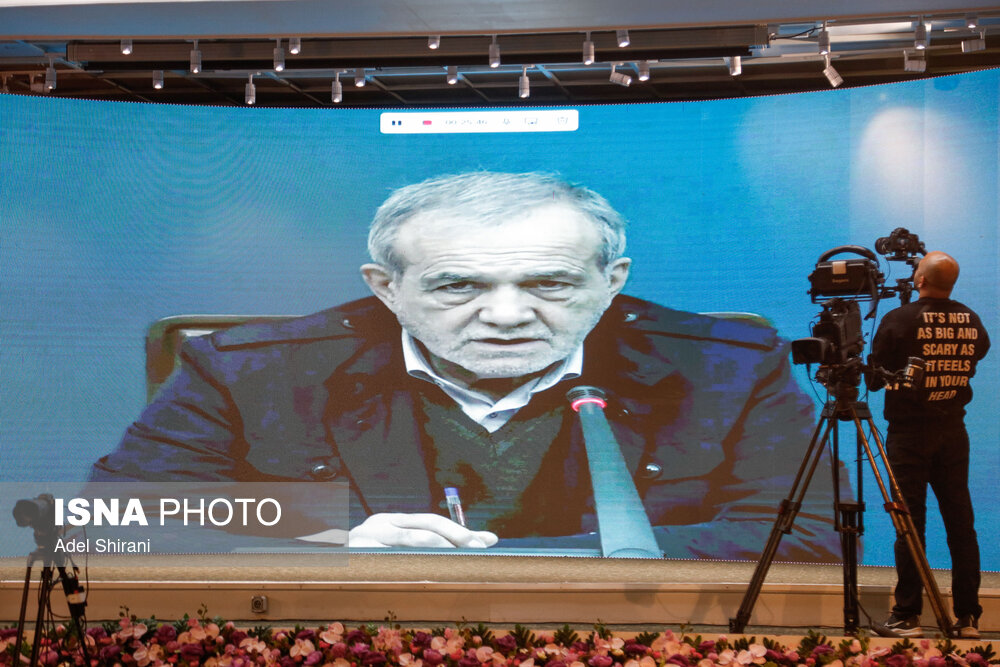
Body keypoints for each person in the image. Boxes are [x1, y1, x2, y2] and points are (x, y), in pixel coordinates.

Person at [90, 171, 842, 560]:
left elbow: (810, 538)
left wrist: (504, 560)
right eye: (458, 286)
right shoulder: (249, 370)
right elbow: (110, 524)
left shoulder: (727, 367)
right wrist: (334, 541)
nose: (507, 315)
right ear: (386, 287)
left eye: (550, 284)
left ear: (611, 282)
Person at [868, 251, 990, 639]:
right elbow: (978, 354)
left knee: (909, 524)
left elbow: (873, 378)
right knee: (961, 524)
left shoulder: (898, 319)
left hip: (909, 436)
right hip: (953, 432)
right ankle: (968, 617)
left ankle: (907, 615)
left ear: (920, 280)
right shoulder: (971, 319)